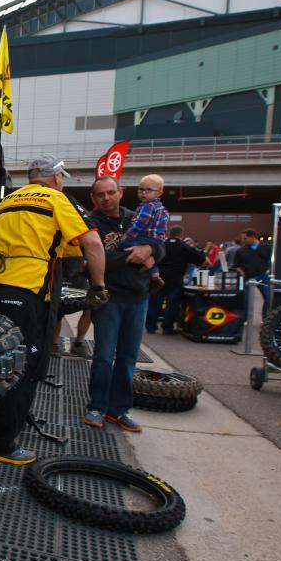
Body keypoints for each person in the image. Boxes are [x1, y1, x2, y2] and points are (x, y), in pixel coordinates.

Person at [0, 155, 107, 464]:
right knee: (24, 366)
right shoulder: (56, 199)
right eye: (62, 178)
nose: (63, 182)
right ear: (55, 178)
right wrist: (98, 287)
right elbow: (92, 244)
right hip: (27, 292)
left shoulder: (9, 200)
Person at [83, 177, 164, 433]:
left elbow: (161, 246)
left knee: (128, 358)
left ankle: (119, 410)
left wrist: (151, 250)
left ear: (120, 192)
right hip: (109, 298)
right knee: (104, 356)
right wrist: (136, 256)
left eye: (111, 192)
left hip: (138, 298)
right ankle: (97, 407)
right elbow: (92, 261)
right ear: (93, 199)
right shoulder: (90, 223)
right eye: (101, 194)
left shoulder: (138, 215)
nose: (106, 198)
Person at [146, 227, 205, 334]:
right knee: (172, 304)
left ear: (170, 233)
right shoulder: (183, 247)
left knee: (155, 302)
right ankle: (167, 327)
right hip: (175, 278)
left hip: (159, 277)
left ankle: (150, 326)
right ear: (181, 234)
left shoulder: (161, 245)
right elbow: (200, 259)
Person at [119, 173, 170, 292]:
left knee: (122, 246)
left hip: (145, 237)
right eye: (141, 189)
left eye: (148, 190)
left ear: (159, 193)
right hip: (155, 240)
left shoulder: (149, 206)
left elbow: (140, 225)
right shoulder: (161, 208)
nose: (143, 193)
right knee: (148, 255)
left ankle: (147, 263)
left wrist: (127, 236)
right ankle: (155, 275)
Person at [232, 228, 273, 318]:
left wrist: (268, 269)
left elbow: (270, 259)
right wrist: (241, 271)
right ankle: (245, 319)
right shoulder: (241, 251)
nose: (243, 240)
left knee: (268, 297)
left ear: (252, 237)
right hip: (248, 277)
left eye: (245, 238)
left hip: (263, 276)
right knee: (246, 300)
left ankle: (265, 318)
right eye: (242, 238)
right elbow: (236, 265)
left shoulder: (266, 247)